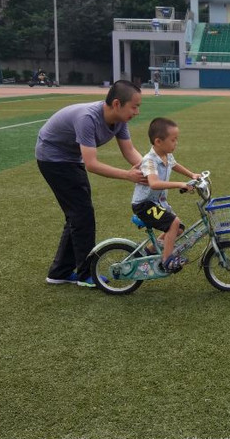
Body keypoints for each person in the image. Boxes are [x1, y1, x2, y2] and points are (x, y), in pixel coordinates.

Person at [36, 79, 147, 287]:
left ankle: (59, 272)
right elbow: (92, 164)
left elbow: (130, 151)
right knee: (82, 215)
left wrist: (150, 171)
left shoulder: (120, 121)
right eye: (134, 106)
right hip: (53, 158)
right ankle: (86, 275)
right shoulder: (88, 118)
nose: (137, 112)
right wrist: (127, 175)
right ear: (116, 104)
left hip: (71, 158)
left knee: (78, 214)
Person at [131, 117, 198, 273]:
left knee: (179, 228)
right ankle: (167, 260)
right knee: (173, 223)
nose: (176, 143)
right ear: (158, 142)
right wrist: (180, 184)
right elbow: (154, 183)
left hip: (157, 202)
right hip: (144, 204)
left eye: (176, 139)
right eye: (173, 140)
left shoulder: (166, 155)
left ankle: (148, 251)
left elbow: (175, 165)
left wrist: (192, 175)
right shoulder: (149, 160)